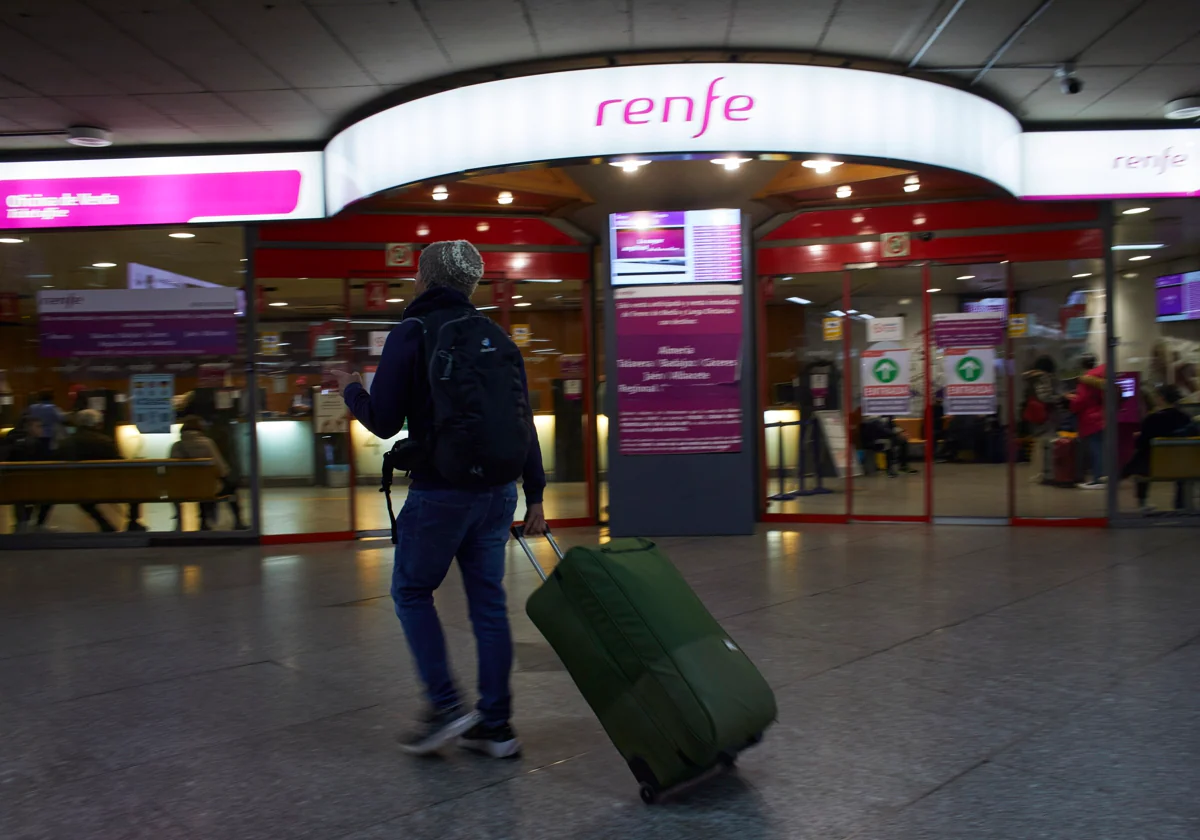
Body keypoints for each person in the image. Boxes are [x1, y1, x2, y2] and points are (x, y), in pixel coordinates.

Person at [332, 239, 546, 759]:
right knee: (488, 607)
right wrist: (534, 494)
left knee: (410, 591)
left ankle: (447, 705)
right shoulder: (496, 334)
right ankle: (497, 727)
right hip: (497, 494)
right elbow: (523, 418)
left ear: (424, 279)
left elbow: (383, 421)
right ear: (471, 284)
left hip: (441, 491)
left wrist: (351, 389)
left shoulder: (414, 330)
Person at [60, 409, 146, 533]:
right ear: (97, 424)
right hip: (107, 488)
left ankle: (102, 522)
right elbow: (119, 464)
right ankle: (133, 522)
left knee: (83, 495)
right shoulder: (104, 441)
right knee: (136, 487)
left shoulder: (66, 443)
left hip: (77, 488)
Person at [1123, 385, 1193, 513]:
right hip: (1183, 465)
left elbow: (1141, 443)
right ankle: (1181, 504)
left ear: (1161, 398)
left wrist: (1139, 436)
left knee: (1141, 456)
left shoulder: (1152, 419)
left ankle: (1142, 501)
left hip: (1153, 467)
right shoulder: (1186, 418)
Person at [170, 415, 246, 530]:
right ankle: (237, 522)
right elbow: (222, 469)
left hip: (182, 489)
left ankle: (202, 521)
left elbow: (172, 471)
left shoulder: (176, 446)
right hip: (207, 488)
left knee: (199, 485)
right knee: (228, 487)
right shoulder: (207, 443)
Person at [5, 413, 53, 533]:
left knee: (21, 496)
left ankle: (22, 523)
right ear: (29, 427)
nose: (41, 429)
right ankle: (39, 524)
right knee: (48, 493)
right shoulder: (35, 443)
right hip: (32, 485)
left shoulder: (9, 439)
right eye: (38, 426)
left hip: (10, 484)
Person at [1022, 355, 1064, 483]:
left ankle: (1038, 473)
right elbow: (1045, 396)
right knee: (1047, 444)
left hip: (1036, 415)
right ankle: (1045, 474)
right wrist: (1061, 397)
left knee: (1039, 444)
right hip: (1046, 416)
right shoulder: (1043, 378)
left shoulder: (1032, 378)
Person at [1068, 353, 1107, 489]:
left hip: (1090, 418)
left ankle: (1098, 479)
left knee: (1095, 449)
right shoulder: (1101, 377)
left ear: (1082, 365)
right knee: (1101, 448)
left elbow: (1081, 400)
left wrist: (1071, 402)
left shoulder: (1086, 380)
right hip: (1102, 416)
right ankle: (1102, 476)